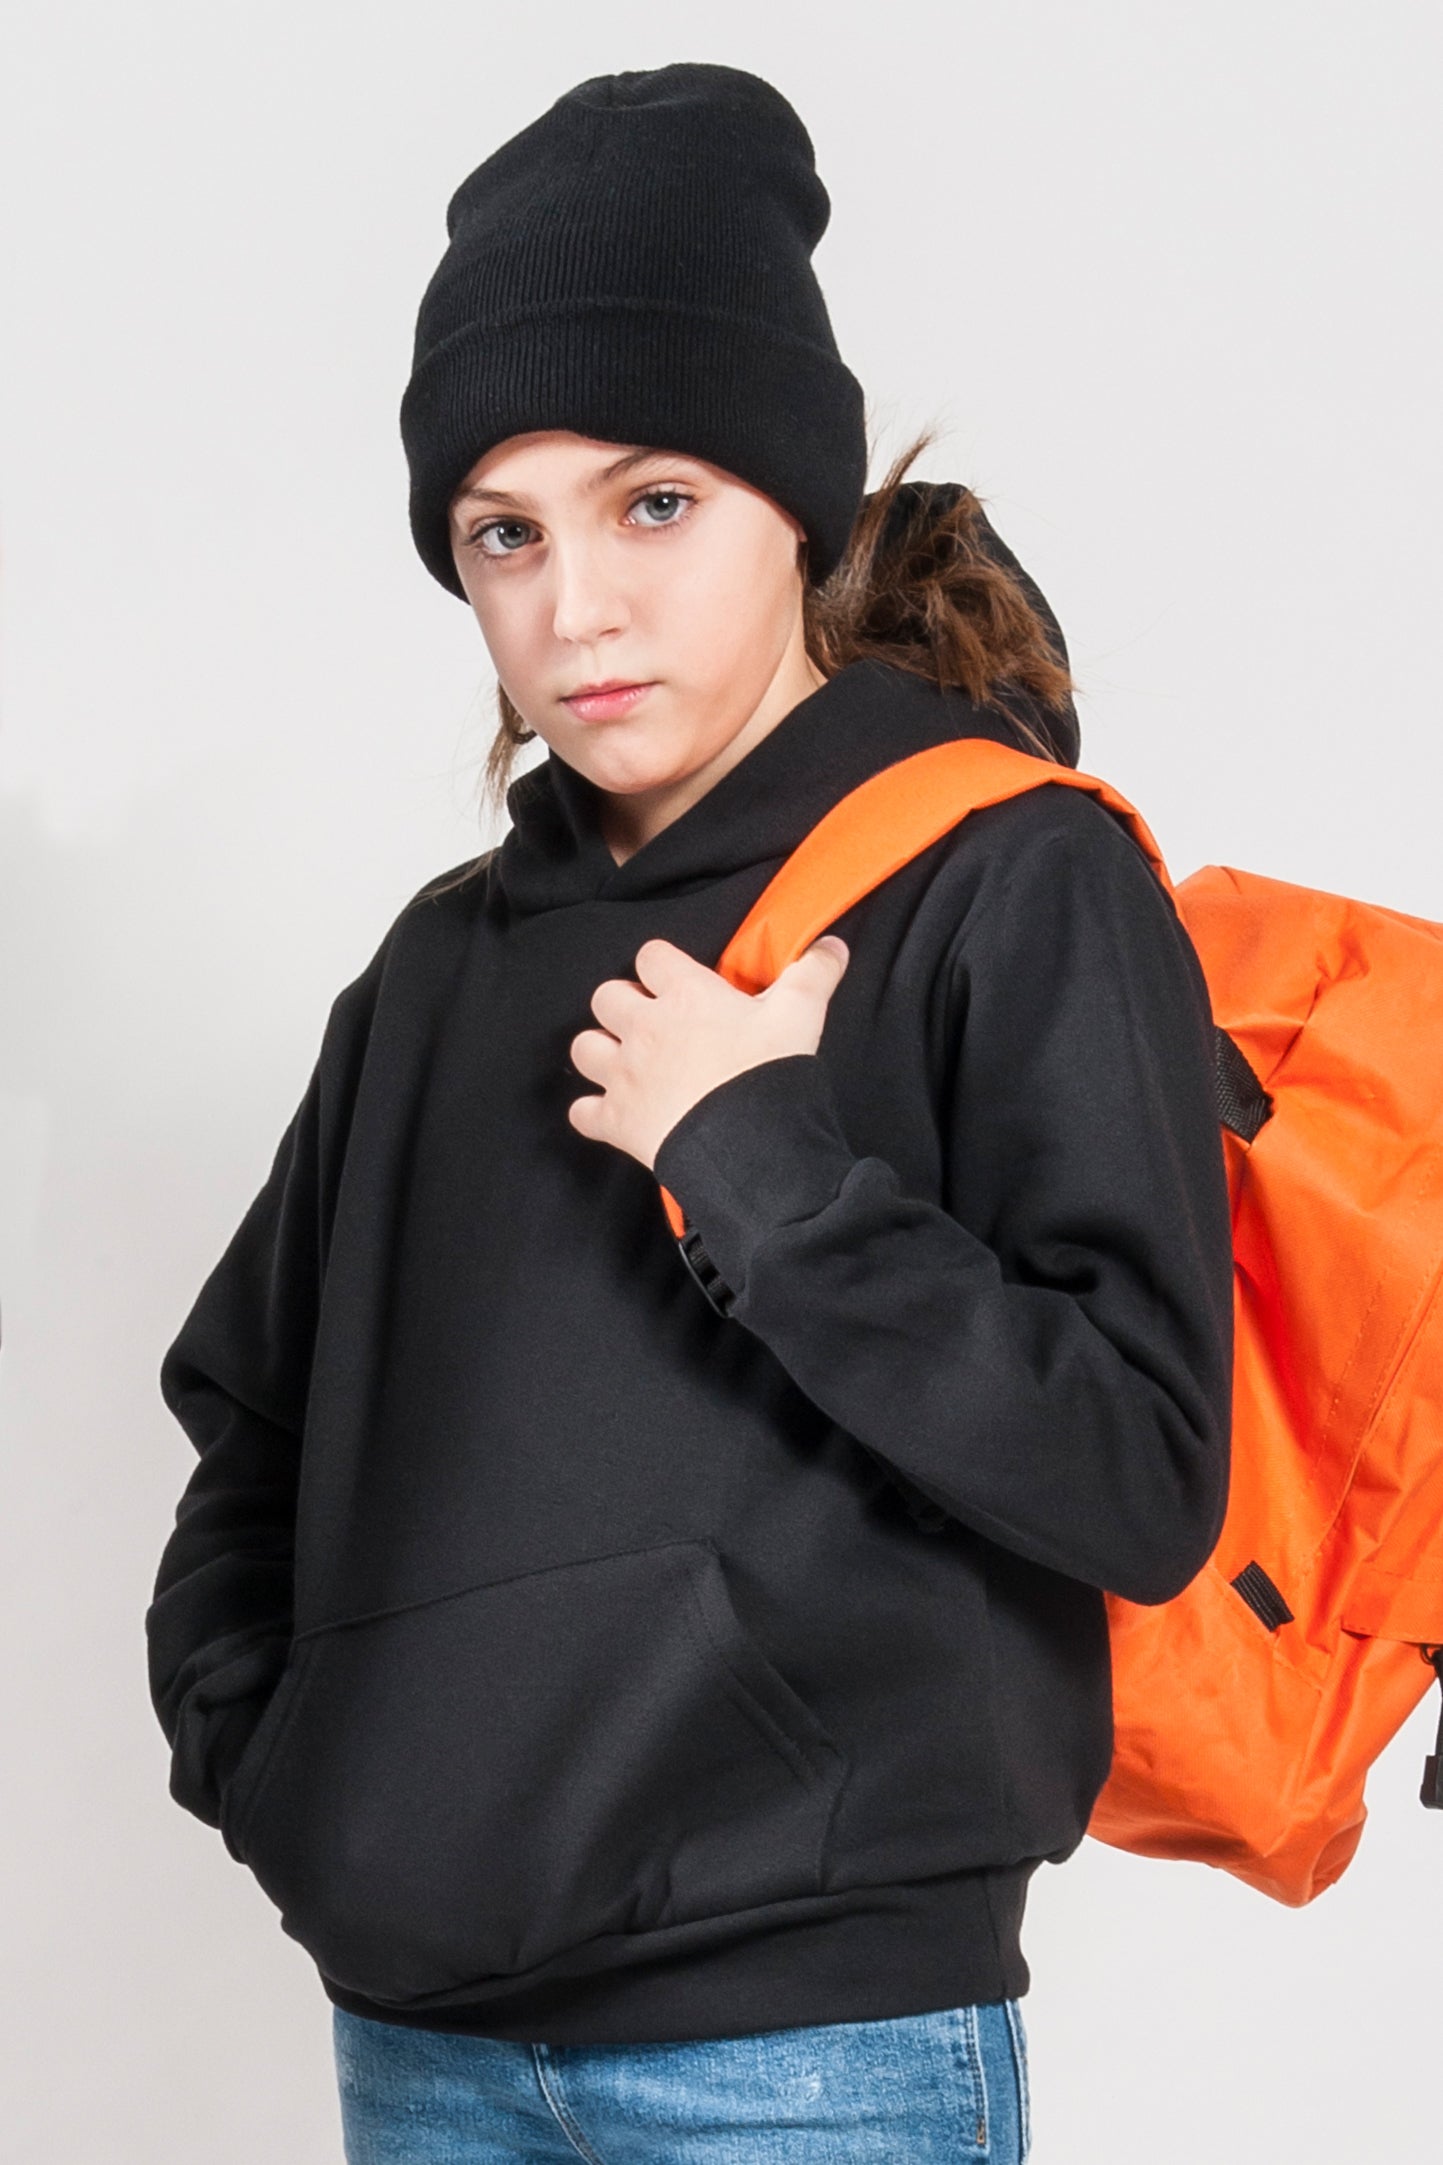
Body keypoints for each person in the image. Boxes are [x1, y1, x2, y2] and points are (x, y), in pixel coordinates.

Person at [145, 60, 1234, 2165]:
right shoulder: (435, 968)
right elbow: (250, 1437)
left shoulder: (1008, 876)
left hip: (807, 2057)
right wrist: (290, 1780)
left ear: (791, 503)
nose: (575, 607)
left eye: (653, 503)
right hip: (423, 2051)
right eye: (505, 533)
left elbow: (1139, 1479)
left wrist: (757, 1165)